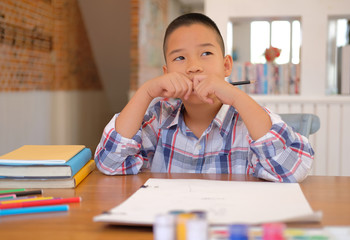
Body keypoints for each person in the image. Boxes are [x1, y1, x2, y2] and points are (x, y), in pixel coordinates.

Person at [94, 13, 314, 182]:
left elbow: (293, 170)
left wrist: (237, 97)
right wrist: (146, 92)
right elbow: (109, 163)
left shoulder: (250, 120)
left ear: (226, 65)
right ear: (166, 72)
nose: (194, 67)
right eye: (180, 57)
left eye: (206, 54)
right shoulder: (158, 117)